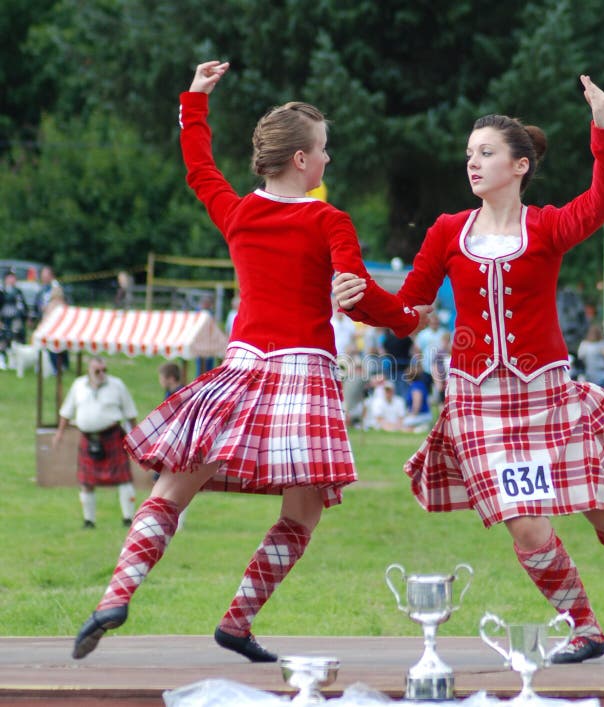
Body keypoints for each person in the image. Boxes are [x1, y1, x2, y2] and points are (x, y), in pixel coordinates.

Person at [333, 75, 604, 664]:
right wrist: (361, 300)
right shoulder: (447, 231)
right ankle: (584, 627)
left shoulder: (546, 225)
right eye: (469, 153)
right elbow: (410, 313)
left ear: (519, 166)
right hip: (477, 404)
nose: (473, 162)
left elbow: (603, 201)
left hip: (547, 395)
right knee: (526, 525)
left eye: (486, 152)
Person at [71, 60, 428, 663]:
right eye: (324, 150)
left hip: (240, 368)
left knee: (174, 484)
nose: (328, 159)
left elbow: (199, 169)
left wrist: (194, 101)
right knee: (304, 509)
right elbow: (359, 295)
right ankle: (237, 621)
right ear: (301, 160)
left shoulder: (238, 213)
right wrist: (409, 319)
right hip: (303, 375)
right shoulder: (329, 219)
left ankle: (115, 596)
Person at [54, 356, 138, 529]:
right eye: (97, 371)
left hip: (112, 436)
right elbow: (66, 411)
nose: (101, 374)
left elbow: (130, 413)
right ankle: (89, 521)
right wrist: (59, 433)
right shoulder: (78, 385)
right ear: (89, 371)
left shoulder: (117, 385)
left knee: (123, 478)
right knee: (86, 481)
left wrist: (136, 436)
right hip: (88, 438)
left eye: (104, 370)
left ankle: (128, 518)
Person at [576, 323, 604, 395]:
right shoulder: (585, 344)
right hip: (590, 376)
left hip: (601, 376)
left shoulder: (601, 345)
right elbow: (580, 359)